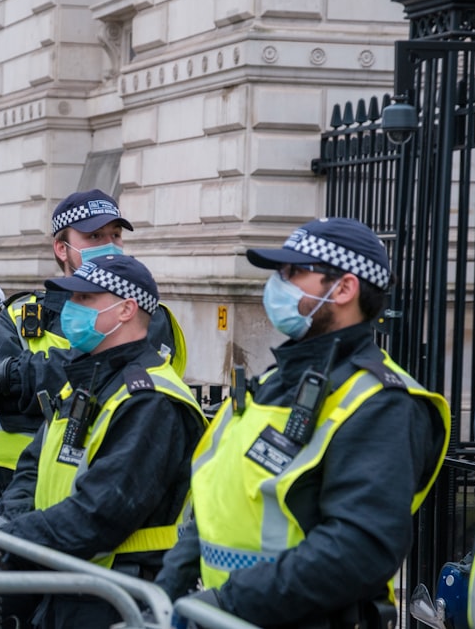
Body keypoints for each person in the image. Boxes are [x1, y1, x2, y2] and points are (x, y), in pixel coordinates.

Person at [156, 217, 451, 628]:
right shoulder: (272, 383)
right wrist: (167, 592)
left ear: (344, 289)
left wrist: (225, 603)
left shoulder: (382, 402)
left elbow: (358, 549)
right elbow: (210, 504)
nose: (278, 285)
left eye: (294, 273)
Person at [0, 254, 206, 629]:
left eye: (85, 299)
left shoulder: (150, 399)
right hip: (65, 579)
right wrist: (9, 524)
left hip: (118, 596)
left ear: (125, 309)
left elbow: (101, 512)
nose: (70, 310)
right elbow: (32, 466)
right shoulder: (85, 378)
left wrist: (12, 538)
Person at [0, 188, 187, 495]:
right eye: (94, 237)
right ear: (62, 248)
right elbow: (2, 405)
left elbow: (123, 383)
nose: (110, 246)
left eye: (116, 235)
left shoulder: (147, 313)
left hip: (102, 485)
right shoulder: (18, 313)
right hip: (14, 481)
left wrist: (23, 375)